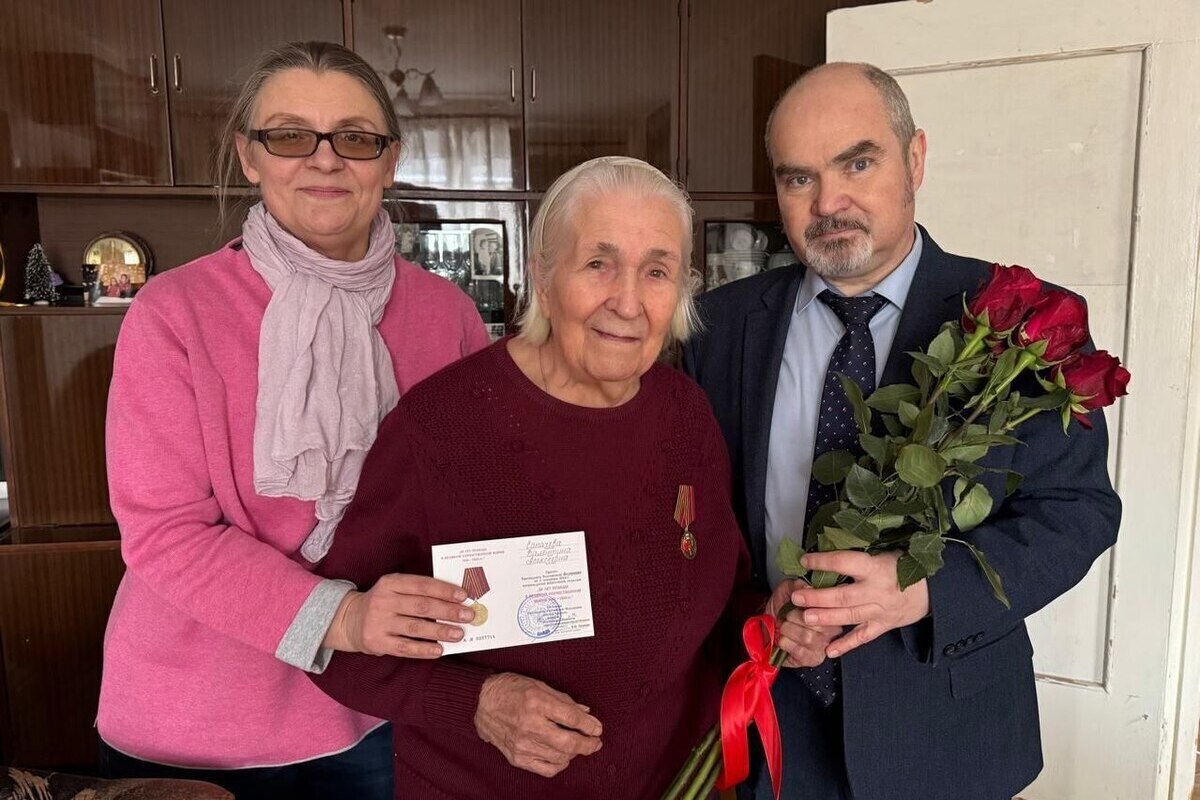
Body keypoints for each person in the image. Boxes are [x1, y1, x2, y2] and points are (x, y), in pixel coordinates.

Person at [308, 156, 822, 799]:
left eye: (656, 271)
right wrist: (477, 702)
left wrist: (768, 621)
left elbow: (718, 597)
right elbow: (338, 647)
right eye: (598, 263)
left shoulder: (686, 414)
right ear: (543, 278)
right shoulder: (440, 424)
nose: (628, 302)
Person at [681, 63, 1121, 800]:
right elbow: (697, 521)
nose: (828, 203)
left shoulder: (1018, 323)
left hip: (946, 733)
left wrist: (926, 591)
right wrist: (750, 610)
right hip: (772, 721)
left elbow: (1079, 512)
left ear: (915, 158)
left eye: (857, 163)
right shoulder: (718, 328)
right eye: (798, 178)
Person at [98, 41, 490, 799]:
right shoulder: (173, 312)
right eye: (289, 135)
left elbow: (473, 505)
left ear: (390, 160)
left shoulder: (448, 316)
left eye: (355, 137)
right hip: (193, 729)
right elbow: (165, 533)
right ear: (249, 155)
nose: (325, 159)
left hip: (378, 713)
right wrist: (343, 618)